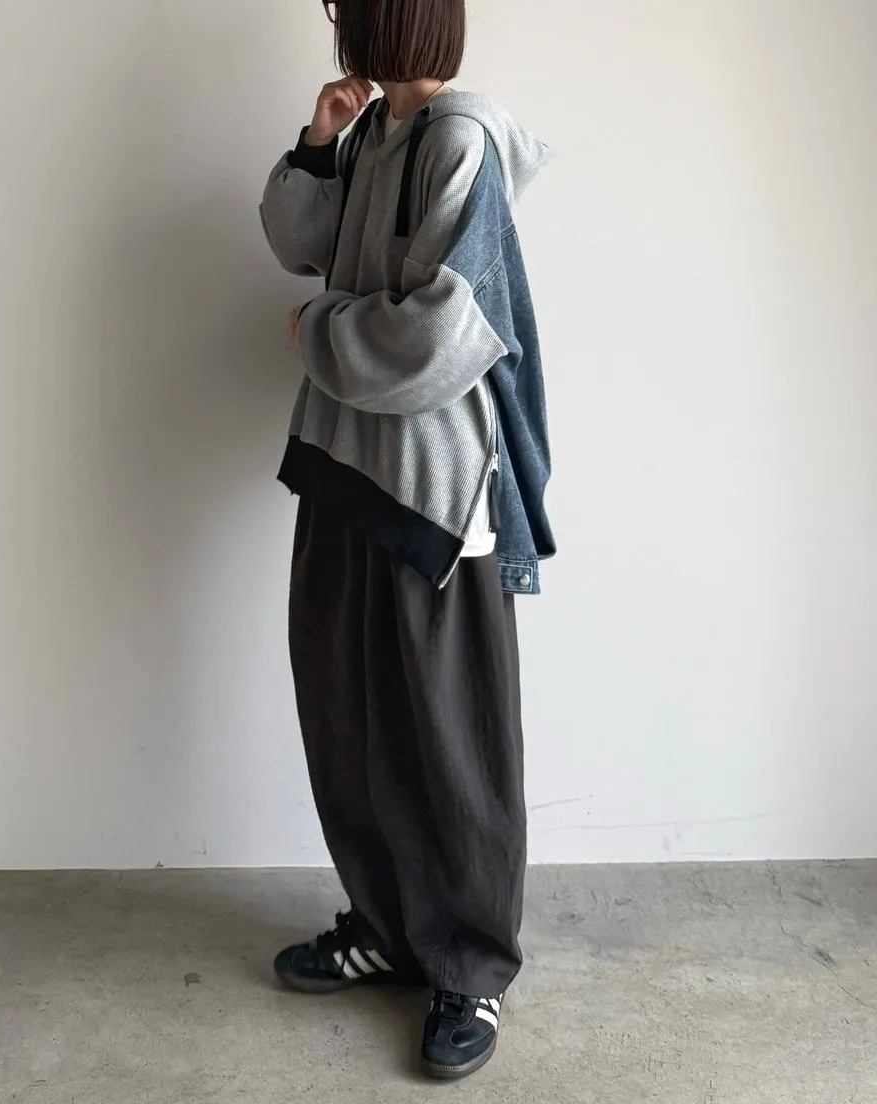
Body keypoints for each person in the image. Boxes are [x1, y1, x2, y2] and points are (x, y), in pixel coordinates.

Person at [259, 0, 554, 1081]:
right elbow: (298, 245)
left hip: (432, 490)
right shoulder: (378, 130)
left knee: (450, 740)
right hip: (344, 463)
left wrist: (317, 333)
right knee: (347, 713)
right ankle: (388, 928)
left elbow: (445, 332)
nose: (338, 18)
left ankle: (469, 968)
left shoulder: (461, 139)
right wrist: (319, 143)